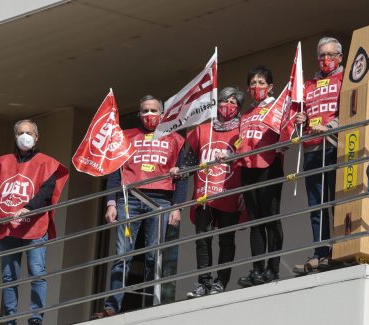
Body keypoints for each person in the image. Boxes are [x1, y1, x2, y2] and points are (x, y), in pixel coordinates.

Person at [92, 95, 186, 319]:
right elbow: (114, 172)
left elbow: (182, 176)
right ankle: (112, 306)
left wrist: (177, 207)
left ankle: (155, 304)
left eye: (154, 110)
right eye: (145, 111)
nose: (149, 115)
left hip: (161, 202)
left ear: (162, 114)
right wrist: (111, 202)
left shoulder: (176, 139)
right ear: (139, 114)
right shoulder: (126, 137)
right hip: (129, 200)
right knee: (122, 255)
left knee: (155, 255)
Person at [0, 119, 69, 325]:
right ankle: (9, 319)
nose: (24, 136)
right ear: (15, 136)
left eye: (29, 133)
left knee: (37, 273)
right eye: (20, 133)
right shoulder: (2, 162)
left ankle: (36, 318)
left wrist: (28, 208)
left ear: (37, 137)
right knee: (9, 277)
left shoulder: (47, 163)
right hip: (8, 227)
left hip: (34, 227)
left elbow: (46, 193)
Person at [172, 87, 245, 298]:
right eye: (224, 101)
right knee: (202, 239)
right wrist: (181, 170)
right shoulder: (203, 130)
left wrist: (244, 194)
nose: (227, 106)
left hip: (230, 191)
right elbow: (191, 161)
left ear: (239, 108)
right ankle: (203, 282)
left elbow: (247, 160)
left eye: (233, 102)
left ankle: (221, 282)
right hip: (204, 192)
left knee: (226, 240)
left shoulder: (242, 129)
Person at [292, 37, 344, 275]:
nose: (326, 59)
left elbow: (353, 109)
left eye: (330, 55)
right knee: (316, 205)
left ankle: (341, 251)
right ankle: (321, 253)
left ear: (340, 57)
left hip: (336, 146)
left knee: (337, 201)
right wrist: (300, 121)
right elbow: (297, 113)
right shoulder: (308, 85)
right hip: (312, 148)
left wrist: (331, 126)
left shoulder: (347, 79)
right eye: (322, 55)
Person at [230, 66, 284, 287]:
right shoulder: (246, 114)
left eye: (261, 83)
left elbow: (287, 131)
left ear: (270, 87)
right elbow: (240, 141)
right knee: (255, 222)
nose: (257, 87)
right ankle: (257, 270)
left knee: (270, 219)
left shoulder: (278, 108)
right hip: (248, 169)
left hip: (269, 167)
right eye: (253, 83)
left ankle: (273, 269)